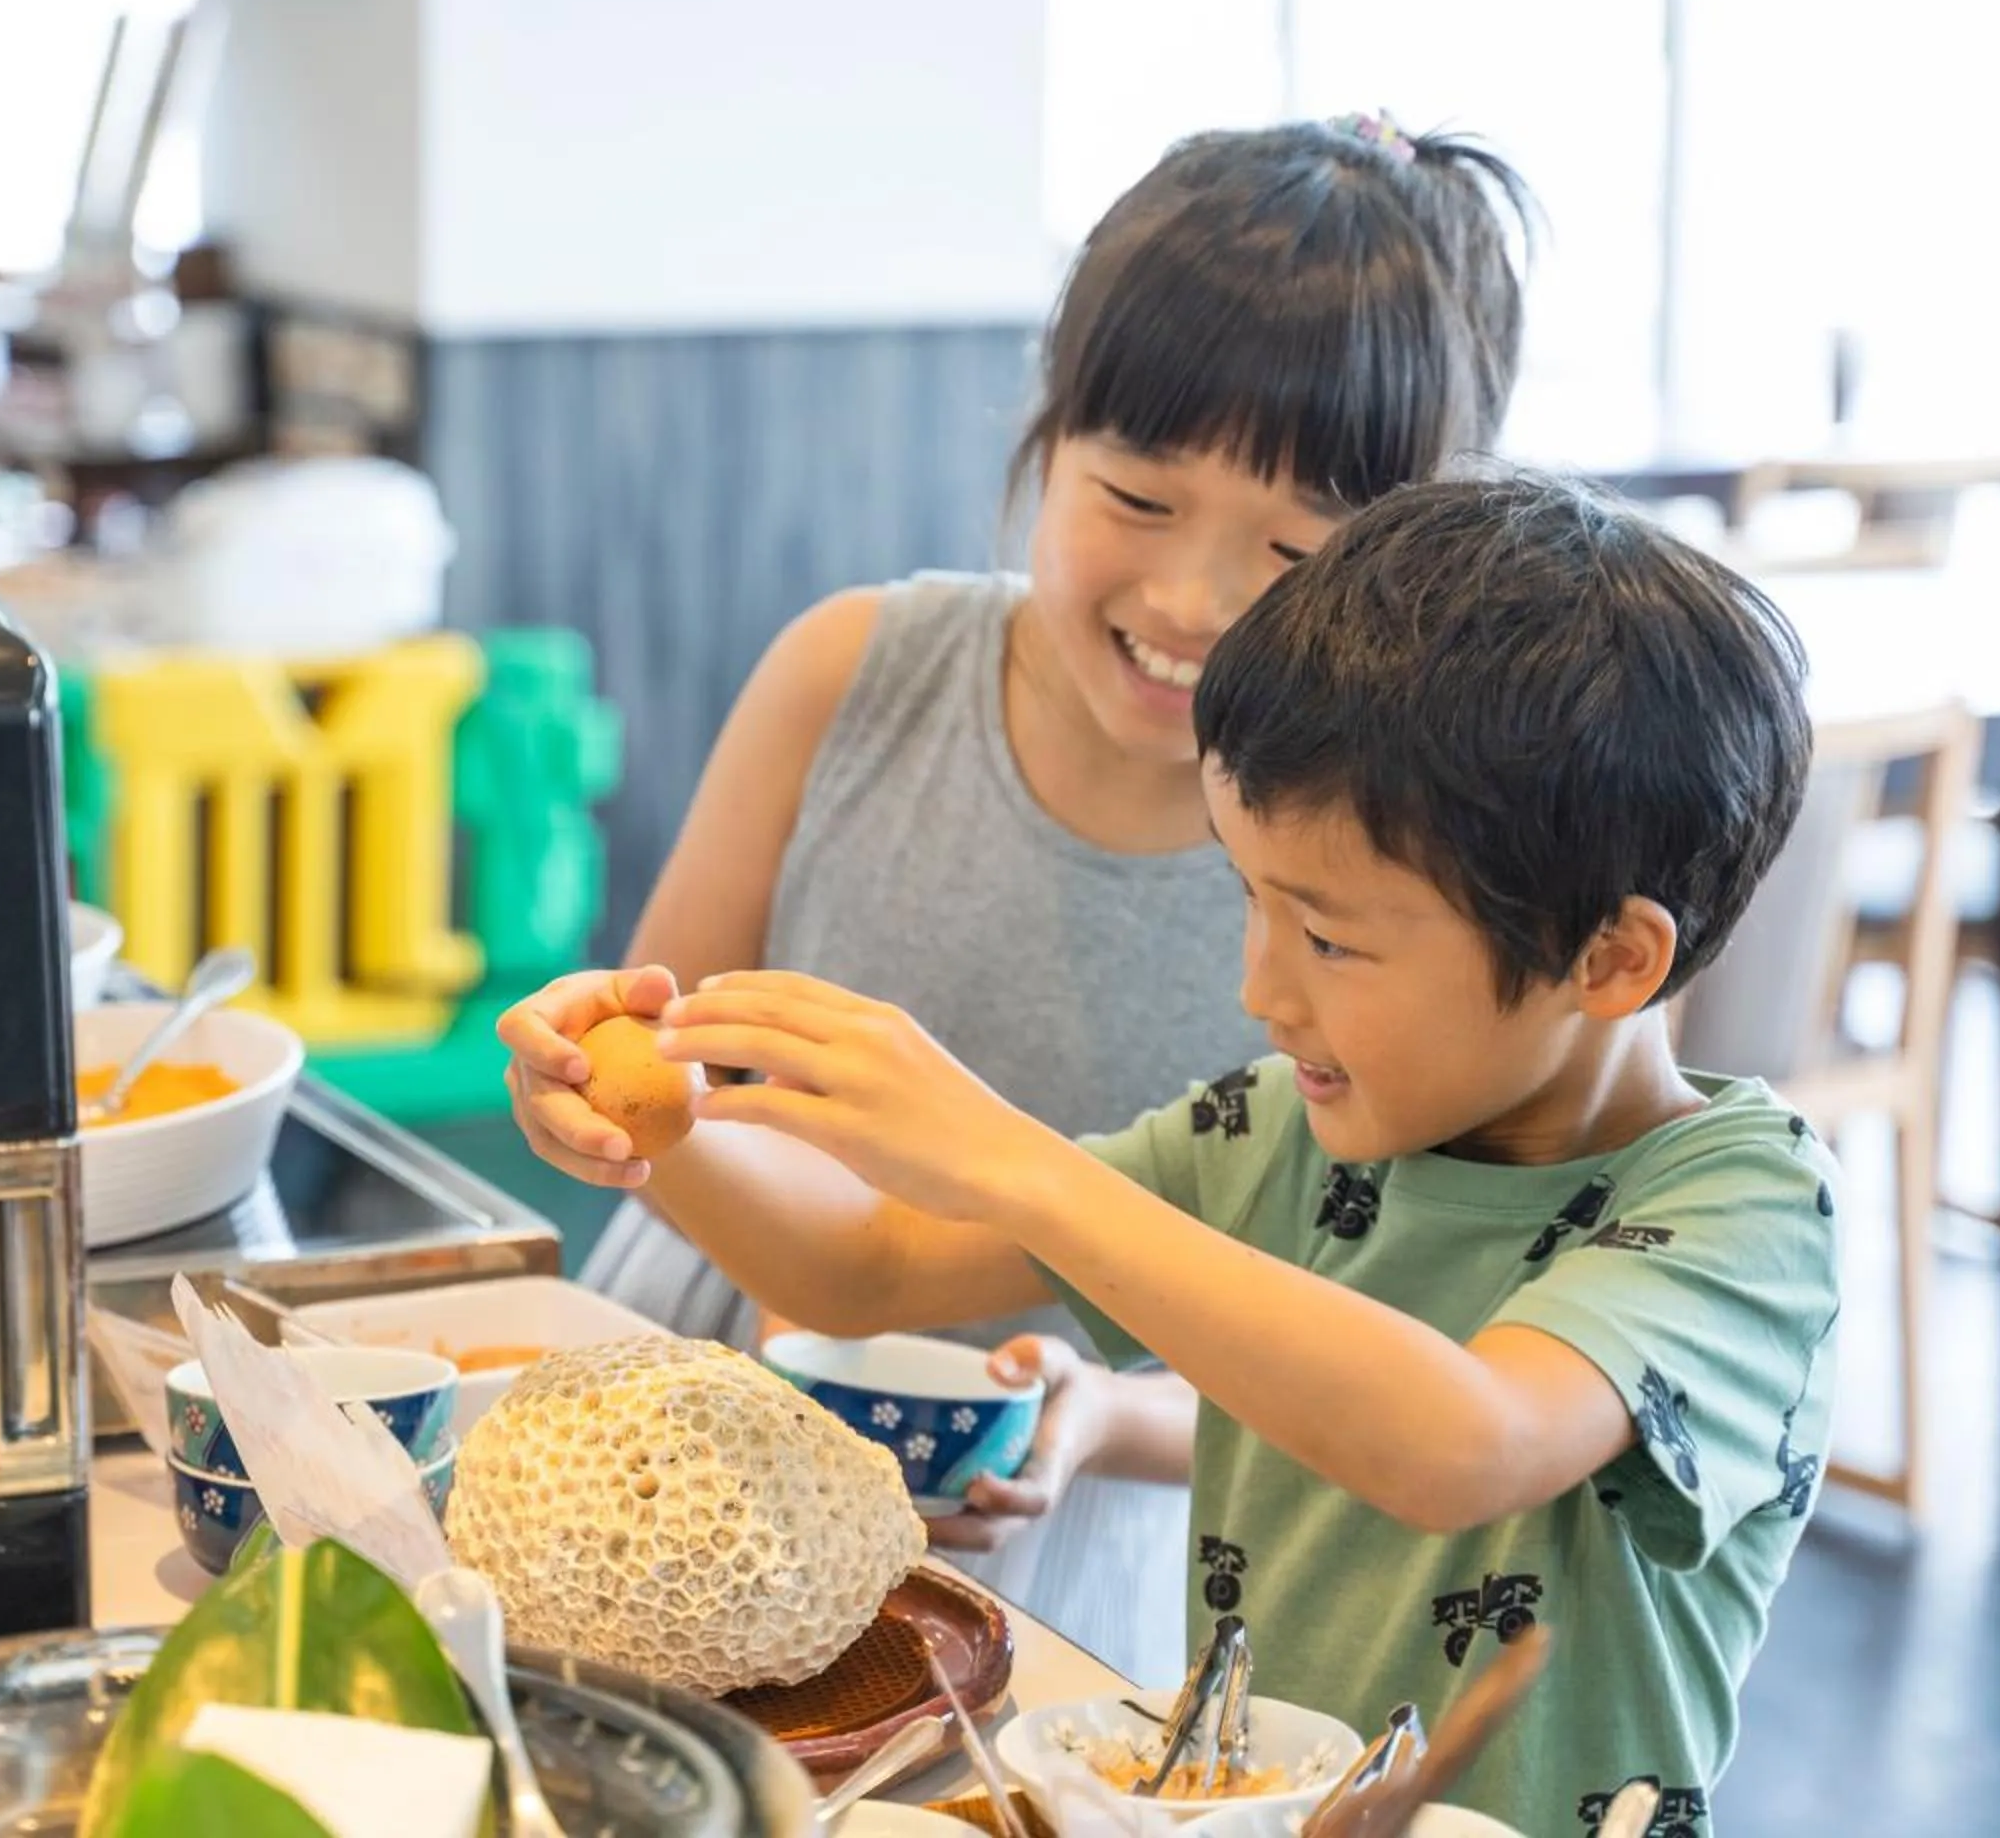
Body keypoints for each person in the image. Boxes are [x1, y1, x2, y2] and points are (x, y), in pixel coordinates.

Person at [531, 473, 1836, 1836]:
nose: (1261, 988)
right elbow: (865, 1268)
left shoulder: (1742, 1204)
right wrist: (661, 1130)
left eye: (1330, 937)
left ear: (1610, 958)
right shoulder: (1279, 1126)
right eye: (1249, 900)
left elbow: (1467, 1441)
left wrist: (1012, 1155)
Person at [501, 113, 1534, 1684]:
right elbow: (664, 1061)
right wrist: (585, 1086)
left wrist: (1107, 1414)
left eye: (1297, 548)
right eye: (1133, 499)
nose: (1191, 599)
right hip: (693, 1413)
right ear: (1046, 444)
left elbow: (1380, 1359)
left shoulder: (1399, 870)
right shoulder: (852, 673)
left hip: (1076, 1521)